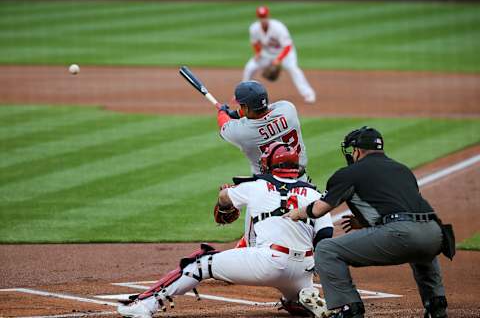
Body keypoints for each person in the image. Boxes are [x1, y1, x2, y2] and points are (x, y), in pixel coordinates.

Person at [117, 142, 334, 318]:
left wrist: (225, 200)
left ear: (268, 164)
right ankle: (303, 297)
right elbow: (325, 236)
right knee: (293, 299)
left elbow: (224, 198)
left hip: (268, 262)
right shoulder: (315, 195)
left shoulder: (254, 186)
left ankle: (146, 305)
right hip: (304, 269)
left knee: (200, 264)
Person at [284, 126, 451, 318]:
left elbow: (318, 210)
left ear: (358, 150)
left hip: (402, 233)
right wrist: (364, 222)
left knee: (327, 250)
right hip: (434, 232)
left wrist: (296, 213)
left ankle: (349, 309)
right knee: (421, 249)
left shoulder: (349, 173)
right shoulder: (403, 170)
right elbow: (405, 208)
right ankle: (436, 305)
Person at [217, 80, 311, 182]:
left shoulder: (244, 132)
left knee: (225, 194)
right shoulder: (288, 109)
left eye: (241, 106)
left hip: (267, 189)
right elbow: (266, 109)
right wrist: (238, 113)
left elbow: (224, 125)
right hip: (301, 182)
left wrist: (222, 112)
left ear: (247, 108)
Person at [242, 6, 316, 104]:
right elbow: (255, 43)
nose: (263, 19)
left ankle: (308, 93)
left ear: (268, 16)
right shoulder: (254, 28)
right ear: (258, 18)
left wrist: (279, 59)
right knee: (250, 67)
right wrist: (258, 53)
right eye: (261, 17)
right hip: (266, 53)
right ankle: (242, 94)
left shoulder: (278, 28)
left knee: (293, 69)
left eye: (264, 16)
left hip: (285, 53)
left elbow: (288, 46)